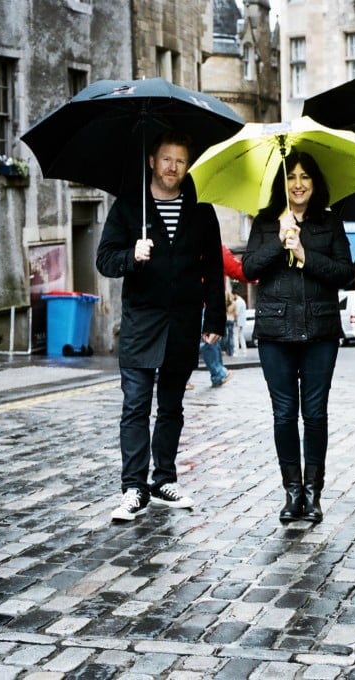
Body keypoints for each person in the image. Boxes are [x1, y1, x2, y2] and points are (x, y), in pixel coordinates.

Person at [96, 129, 226, 522]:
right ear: (152, 161)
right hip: (141, 322)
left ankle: (163, 479)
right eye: (166, 159)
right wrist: (131, 255)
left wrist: (215, 316)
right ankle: (134, 488)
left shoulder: (201, 210)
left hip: (183, 322)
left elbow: (214, 267)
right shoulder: (128, 208)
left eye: (181, 161)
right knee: (135, 406)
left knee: (172, 406)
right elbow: (104, 260)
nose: (173, 167)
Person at [242, 150, 353, 524]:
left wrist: (304, 253)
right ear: (282, 183)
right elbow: (248, 268)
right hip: (275, 331)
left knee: (315, 414)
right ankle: (292, 493)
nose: (299, 183)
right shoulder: (265, 222)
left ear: (314, 182)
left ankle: (312, 492)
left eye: (305, 176)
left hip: (320, 331)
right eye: (292, 176)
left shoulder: (329, 223)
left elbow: (345, 273)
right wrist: (279, 239)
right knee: (284, 414)